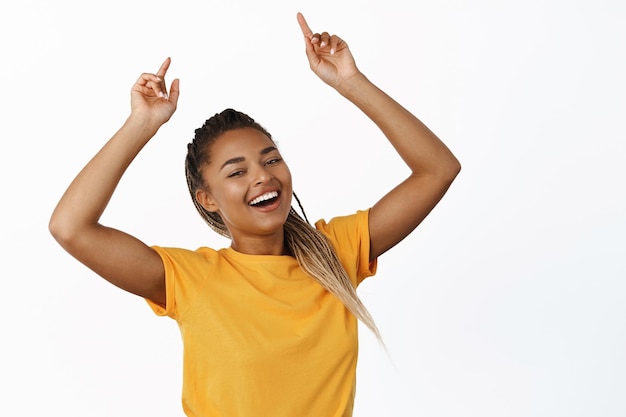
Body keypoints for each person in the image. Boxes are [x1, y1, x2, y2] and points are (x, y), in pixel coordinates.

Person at [49, 12, 460, 417]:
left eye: (271, 160)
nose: (263, 177)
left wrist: (352, 82)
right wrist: (141, 124)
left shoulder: (334, 254)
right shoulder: (190, 278)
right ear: (207, 198)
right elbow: (70, 228)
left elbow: (438, 169)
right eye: (237, 172)